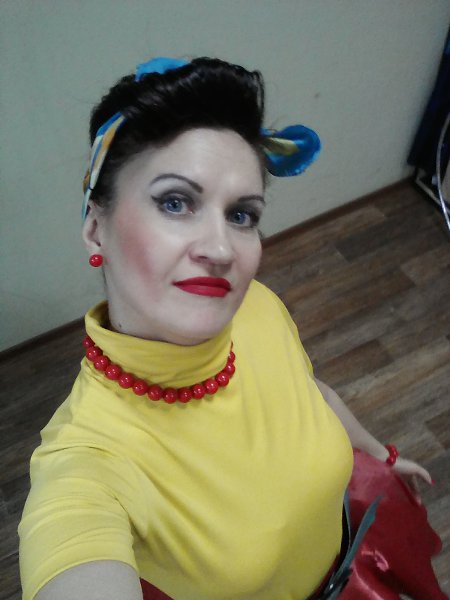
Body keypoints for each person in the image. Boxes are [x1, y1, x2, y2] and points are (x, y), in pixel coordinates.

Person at [19, 57, 443, 600]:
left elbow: (310, 395)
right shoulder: (83, 466)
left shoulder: (256, 306)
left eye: (242, 214)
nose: (221, 249)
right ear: (95, 228)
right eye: (176, 202)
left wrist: (379, 457)